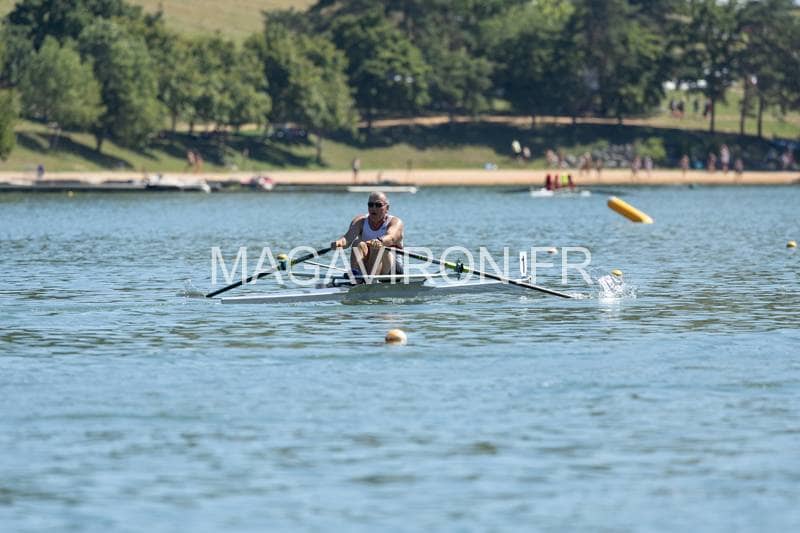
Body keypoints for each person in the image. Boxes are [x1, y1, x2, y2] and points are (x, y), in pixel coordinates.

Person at [331, 192, 405, 277]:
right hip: (370, 266)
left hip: (393, 269)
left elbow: (391, 237)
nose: (373, 208)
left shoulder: (395, 222)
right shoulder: (360, 221)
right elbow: (347, 240)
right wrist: (339, 243)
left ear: (387, 208)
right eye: (370, 205)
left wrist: (379, 241)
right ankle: (357, 276)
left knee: (378, 247)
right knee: (357, 243)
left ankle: (368, 279)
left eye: (378, 205)